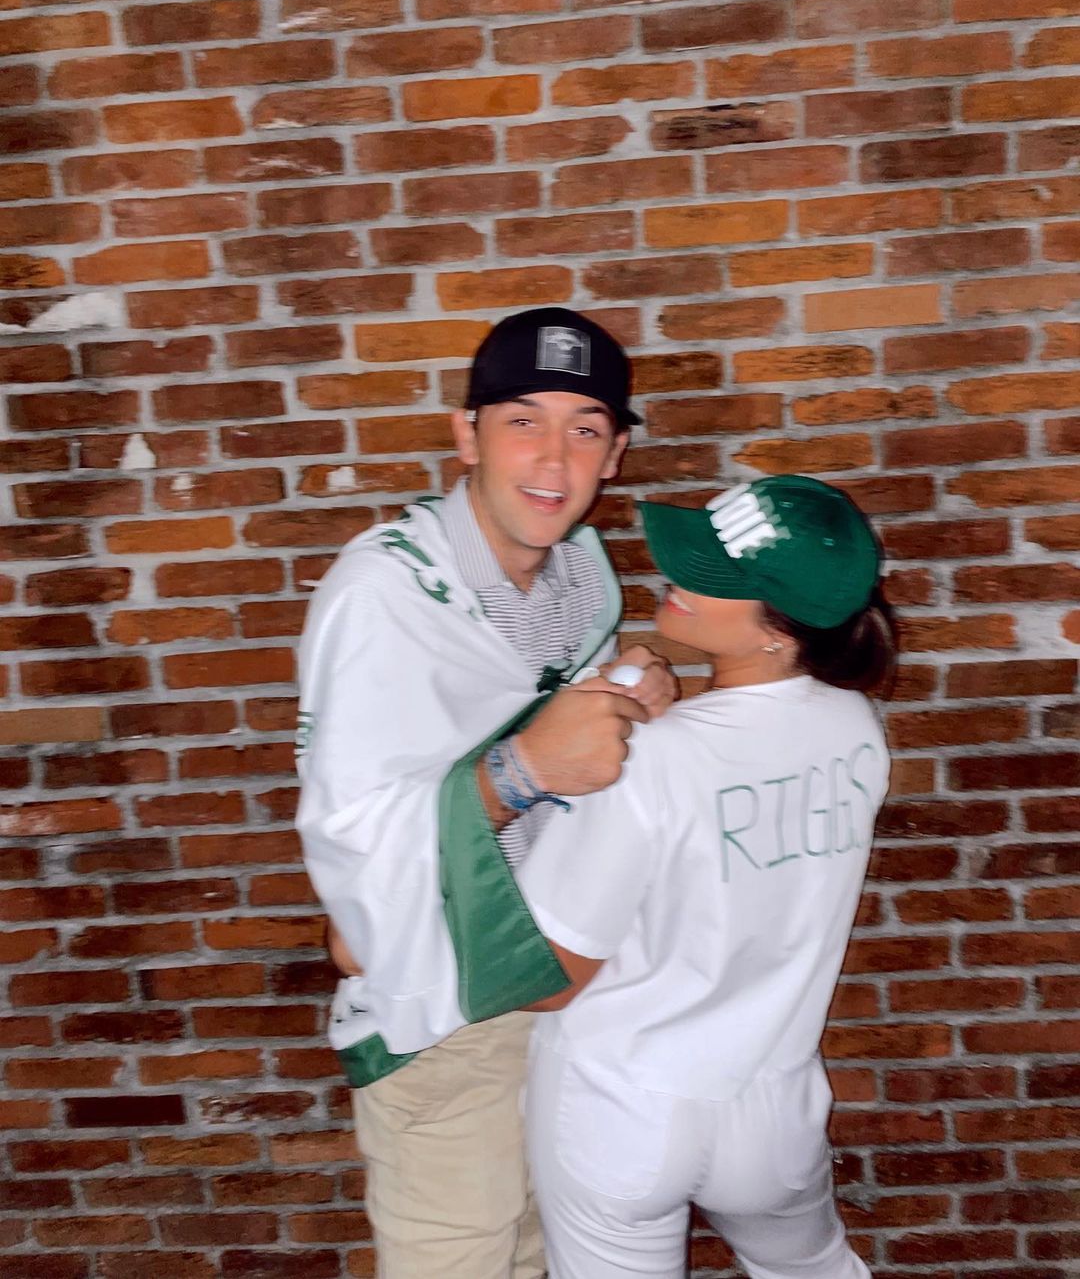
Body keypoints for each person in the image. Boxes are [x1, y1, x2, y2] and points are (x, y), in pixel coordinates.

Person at [295, 306, 676, 1279]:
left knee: (544, 1257)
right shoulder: (383, 595)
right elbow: (353, 861)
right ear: (466, 435)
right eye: (522, 421)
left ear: (615, 455)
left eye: (584, 429)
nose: (552, 459)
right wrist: (524, 770)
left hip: (562, 992)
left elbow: (568, 745)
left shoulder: (582, 579)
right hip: (444, 1016)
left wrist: (641, 691)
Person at [514, 474, 896, 1279]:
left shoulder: (650, 756)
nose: (675, 579)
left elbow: (547, 977)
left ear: (781, 630)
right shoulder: (857, 728)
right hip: (774, 1106)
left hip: (621, 1105)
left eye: (713, 578)